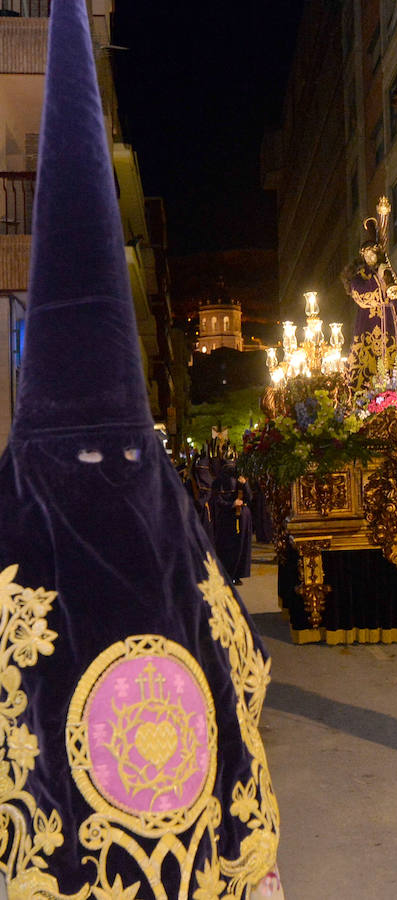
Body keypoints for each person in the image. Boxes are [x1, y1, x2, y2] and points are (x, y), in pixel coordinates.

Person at [0, 3, 283, 896]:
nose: (107, 479)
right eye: (81, 459)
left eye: (120, 457)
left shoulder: (186, 566)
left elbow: (238, 738)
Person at [342, 216, 397, 392]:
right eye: (366, 254)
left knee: (396, 370)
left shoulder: (388, 273)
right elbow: (362, 295)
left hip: (390, 329)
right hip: (368, 329)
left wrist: (388, 276)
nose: (370, 256)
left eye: (372, 252)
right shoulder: (359, 278)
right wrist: (379, 277)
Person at [211, 455, 253, 585]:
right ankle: (228, 573)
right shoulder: (219, 481)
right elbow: (217, 500)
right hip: (227, 518)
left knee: (241, 547)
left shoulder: (240, 479)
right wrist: (231, 504)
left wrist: (245, 485)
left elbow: (249, 497)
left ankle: (237, 573)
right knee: (228, 547)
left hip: (242, 517)